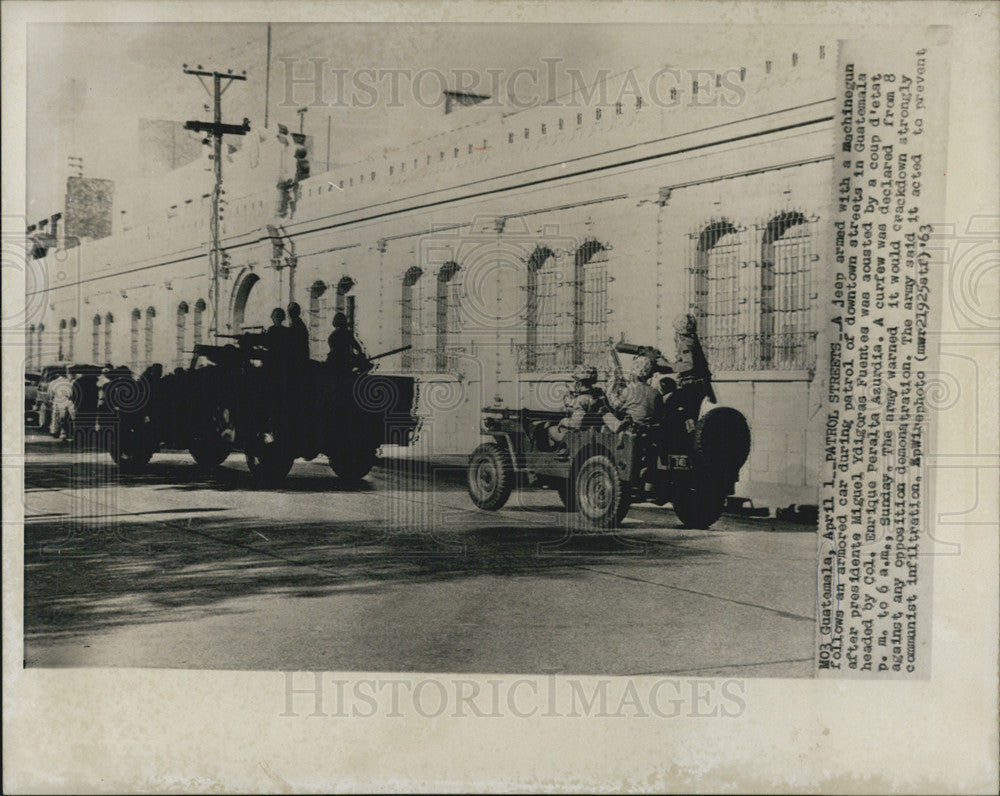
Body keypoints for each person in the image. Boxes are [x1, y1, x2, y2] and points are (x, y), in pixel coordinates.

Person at [547, 365, 611, 446]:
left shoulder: (580, 400)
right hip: (595, 427)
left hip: (582, 433)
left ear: (579, 383)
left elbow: (576, 424)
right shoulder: (599, 393)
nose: (574, 383)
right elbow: (607, 408)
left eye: (575, 381)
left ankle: (562, 452)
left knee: (550, 429)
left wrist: (563, 422)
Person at [286, 302, 310, 367]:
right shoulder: (299, 323)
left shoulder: (296, 325)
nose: (288, 314)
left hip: (298, 359)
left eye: (289, 312)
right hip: (301, 357)